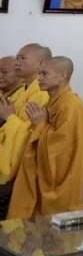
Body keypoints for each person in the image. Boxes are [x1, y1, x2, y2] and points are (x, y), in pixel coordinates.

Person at [8, 56, 83, 218]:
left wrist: (40, 125)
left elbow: (62, 150)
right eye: (39, 73)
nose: (38, 78)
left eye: (44, 74)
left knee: (55, 227)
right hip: (42, 176)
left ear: (62, 75)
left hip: (63, 181)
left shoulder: (71, 105)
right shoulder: (51, 102)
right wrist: (39, 126)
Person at [0, 44, 52, 184]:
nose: (17, 62)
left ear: (40, 63)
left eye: (22, 58)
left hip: (24, 166)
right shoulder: (23, 92)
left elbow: (33, 134)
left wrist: (9, 118)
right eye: (17, 58)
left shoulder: (42, 94)